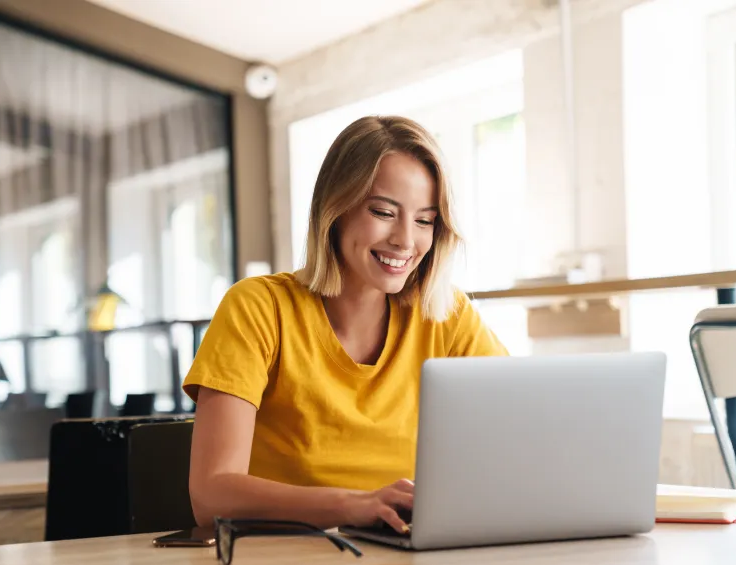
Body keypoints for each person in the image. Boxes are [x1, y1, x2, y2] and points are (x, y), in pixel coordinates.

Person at [183, 115, 508, 534]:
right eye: (383, 212)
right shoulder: (259, 307)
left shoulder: (446, 315)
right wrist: (354, 505)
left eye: (425, 220)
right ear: (335, 208)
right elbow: (211, 497)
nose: (406, 241)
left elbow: (518, 437)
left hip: (405, 559)